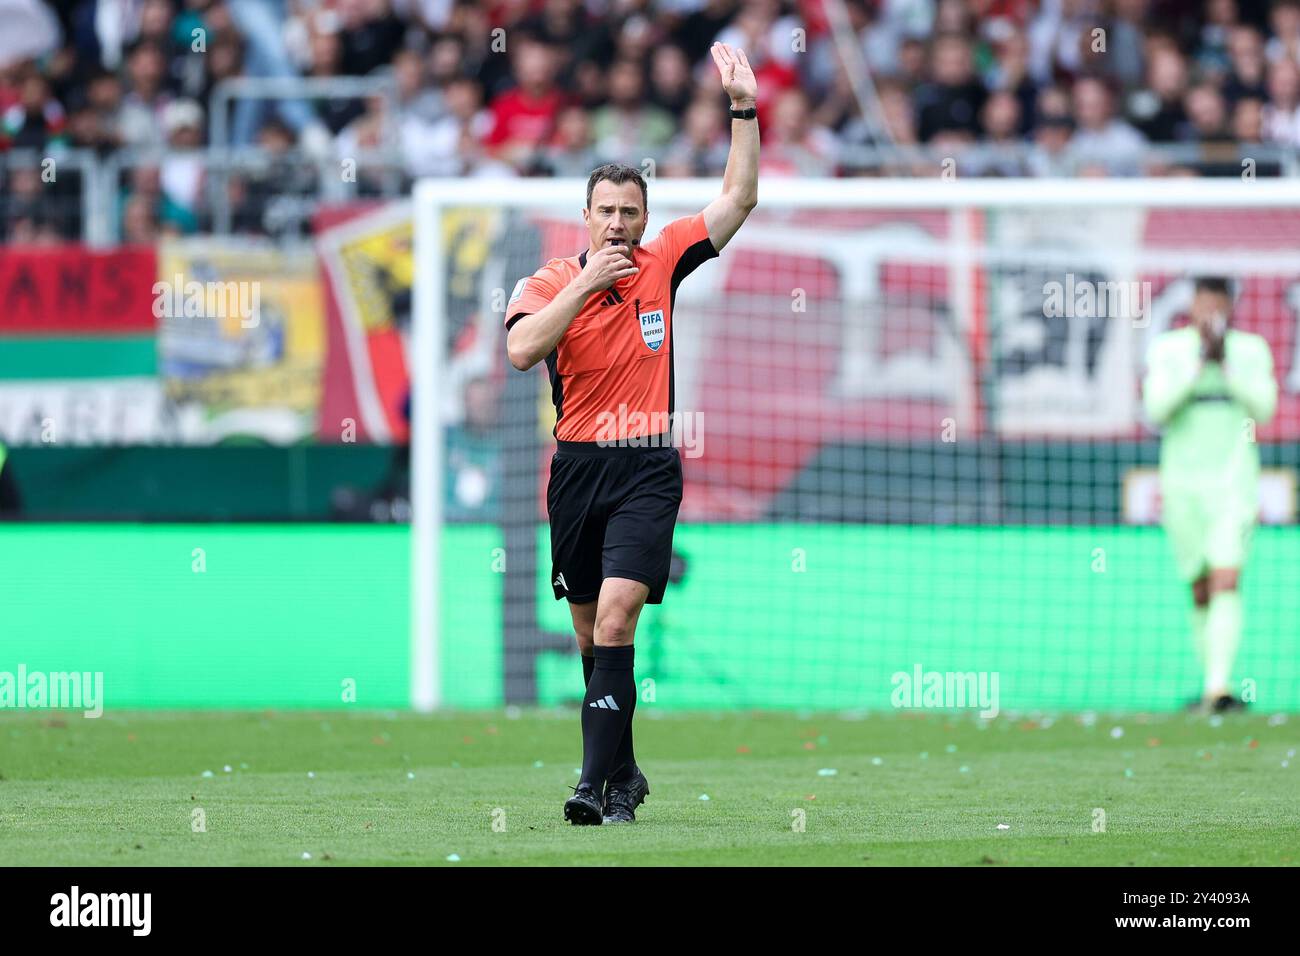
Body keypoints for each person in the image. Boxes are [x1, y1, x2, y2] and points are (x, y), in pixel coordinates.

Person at [503, 42, 759, 825]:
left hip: (647, 464)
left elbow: (739, 199)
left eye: (630, 213)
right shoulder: (548, 280)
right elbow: (519, 351)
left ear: (645, 220)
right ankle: (627, 772)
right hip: (577, 469)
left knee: (617, 617)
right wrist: (585, 283)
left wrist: (743, 110)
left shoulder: (664, 260)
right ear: (585, 216)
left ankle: (589, 787)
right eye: (605, 211)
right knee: (592, 640)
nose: (618, 224)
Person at [1142, 277, 1277, 713]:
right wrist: (1200, 367)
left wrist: (1228, 369)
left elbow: (1265, 409)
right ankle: (1210, 687)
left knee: (1227, 579)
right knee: (1199, 588)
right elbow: (1156, 409)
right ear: (1193, 305)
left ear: (1230, 307)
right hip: (1181, 486)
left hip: (1233, 485)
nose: (1211, 312)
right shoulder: (1169, 351)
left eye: (1219, 303)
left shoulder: (1251, 350)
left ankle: (1220, 687)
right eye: (1205, 303)